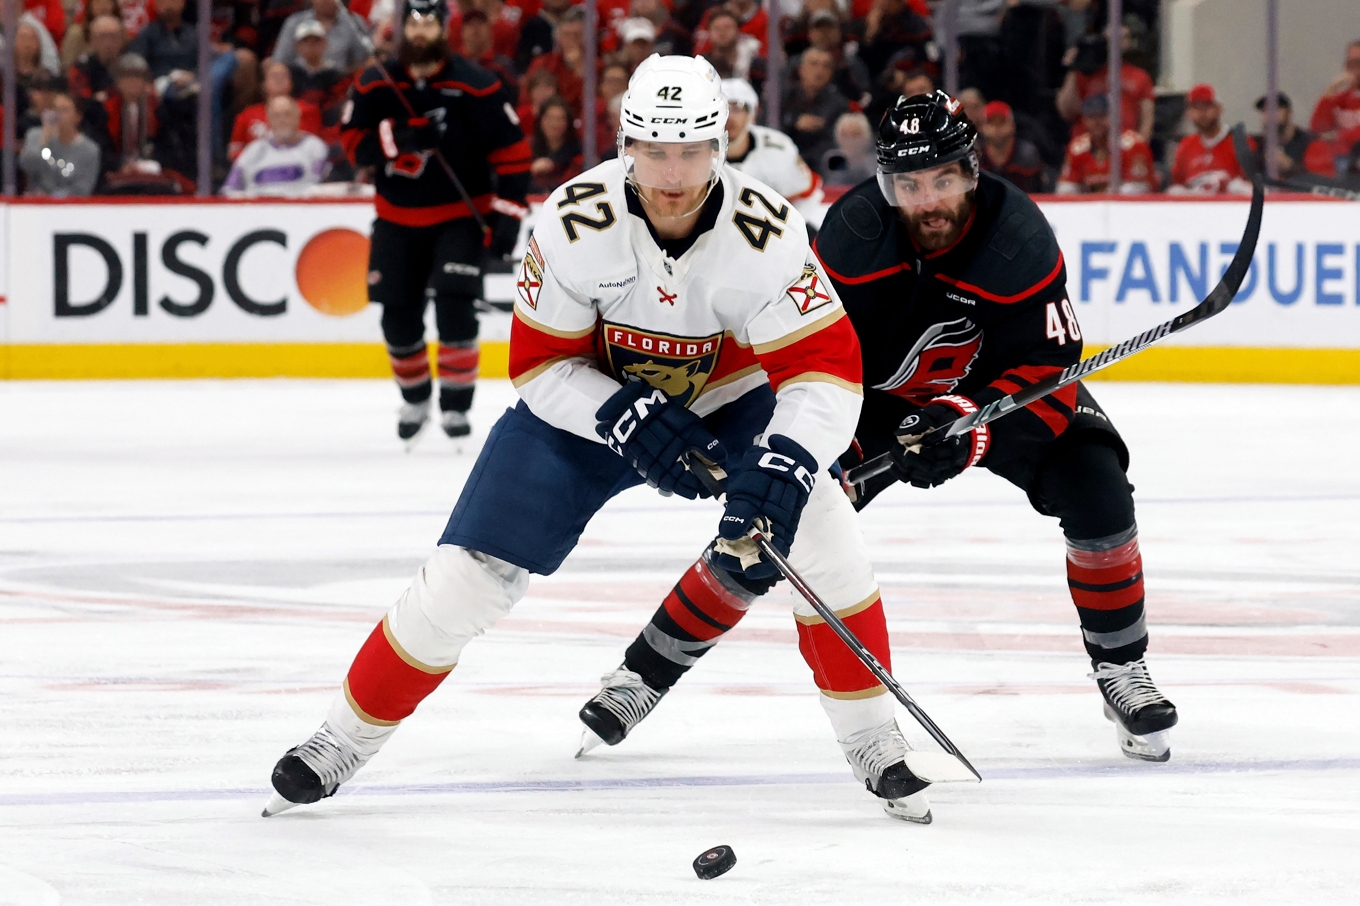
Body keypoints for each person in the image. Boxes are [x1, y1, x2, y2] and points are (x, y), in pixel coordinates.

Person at [266, 53, 935, 826]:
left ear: (720, 146)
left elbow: (822, 370)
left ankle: (873, 740)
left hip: (733, 402)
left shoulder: (772, 233)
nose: (673, 173)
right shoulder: (571, 223)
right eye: (655, 150)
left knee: (822, 526)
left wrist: (787, 454)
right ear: (626, 146)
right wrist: (621, 413)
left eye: (690, 150)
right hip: (588, 408)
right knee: (466, 575)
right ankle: (341, 738)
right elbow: (540, 365)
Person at [581, 90, 1180, 769]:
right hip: (871, 402)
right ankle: (644, 673)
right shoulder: (856, 234)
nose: (927, 200)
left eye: (943, 179)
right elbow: (813, 357)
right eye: (908, 183)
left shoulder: (1018, 237)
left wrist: (968, 426)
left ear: (971, 172)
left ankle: (1121, 670)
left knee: (1098, 484)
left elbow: (1052, 373)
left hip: (993, 399)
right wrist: (829, 445)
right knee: (780, 516)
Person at [339, 0, 531, 442]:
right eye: (414, 22)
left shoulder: (477, 84)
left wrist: (508, 218)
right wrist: (399, 137)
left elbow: (513, 154)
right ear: (400, 27)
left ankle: (456, 406)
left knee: (455, 307)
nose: (421, 31)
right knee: (397, 317)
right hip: (396, 217)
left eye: (430, 22)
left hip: (460, 216)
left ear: (445, 28)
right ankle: (415, 396)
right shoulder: (375, 82)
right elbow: (352, 145)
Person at [722, 77, 825, 230]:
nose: (729, 116)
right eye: (722, 109)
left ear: (752, 114)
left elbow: (806, 194)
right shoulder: (689, 151)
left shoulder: (778, 147)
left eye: (737, 108)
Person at [1056, 28, 1155, 143]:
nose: (1117, 42)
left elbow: (1147, 119)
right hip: (1087, 145)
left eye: (1122, 38)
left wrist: (1139, 147)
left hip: (1124, 144)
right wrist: (1073, 69)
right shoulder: (1085, 73)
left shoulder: (1140, 76)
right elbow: (1067, 112)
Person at [222, 96, 329, 196]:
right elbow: (230, 189)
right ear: (268, 119)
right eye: (276, 115)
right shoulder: (253, 151)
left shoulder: (314, 148)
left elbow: (318, 185)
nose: (282, 120)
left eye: (287, 114)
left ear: (298, 116)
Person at [1056, 93, 1155, 194]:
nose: (1096, 122)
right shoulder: (1077, 148)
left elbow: (1137, 188)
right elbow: (1066, 186)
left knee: (1129, 190)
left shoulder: (1133, 145)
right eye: (1091, 117)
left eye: (1101, 116)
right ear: (1084, 120)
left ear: (1114, 117)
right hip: (1092, 205)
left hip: (1130, 206)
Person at [230, 61, 323, 160]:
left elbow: (311, 146)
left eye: (283, 76)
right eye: (274, 76)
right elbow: (235, 150)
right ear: (264, 84)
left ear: (291, 83)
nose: (279, 79)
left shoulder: (308, 110)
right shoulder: (248, 115)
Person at [1167, 83, 1249, 196]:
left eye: (1207, 106)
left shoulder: (1241, 142)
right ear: (1189, 113)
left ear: (1219, 108)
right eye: (1196, 108)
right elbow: (1177, 183)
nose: (1202, 113)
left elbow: (1252, 185)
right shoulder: (1185, 145)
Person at [20, 89, 100, 195]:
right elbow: (27, 166)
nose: (59, 115)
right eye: (55, 110)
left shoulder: (89, 150)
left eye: (65, 110)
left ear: (78, 116)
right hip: (35, 202)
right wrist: (44, 139)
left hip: (67, 207)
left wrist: (51, 198)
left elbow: (82, 189)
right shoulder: (35, 135)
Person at [782, 47, 848, 168]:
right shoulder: (781, 97)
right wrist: (793, 121)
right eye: (814, 64)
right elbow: (767, 126)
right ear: (801, 70)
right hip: (782, 160)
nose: (820, 70)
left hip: (819, 166)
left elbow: (835, 142)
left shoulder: (839, 104)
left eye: (826, 66)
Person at [1250, 92, 1336, 181]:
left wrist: (1290, 166)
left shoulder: (1312, 143)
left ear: (1289, 113)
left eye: (1275, 110)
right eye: (1264, 111)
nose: (1269, 116)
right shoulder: (1257, 144)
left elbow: (1323, 182)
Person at [272, 0, 371, 74]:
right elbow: (280, 61)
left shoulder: (353, 22)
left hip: (338, 84)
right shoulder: (294, 22)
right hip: (299, 83)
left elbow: (365, 59)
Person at [977, 100, 1049, 194]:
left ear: (1012, 125)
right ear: (982, 128)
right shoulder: (975, 156)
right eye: (991, 123)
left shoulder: (1027, 155)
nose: (997, 128)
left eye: (1002, 122)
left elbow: (1037, 192)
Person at [1309, 39, 1360, 163]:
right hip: (1335, 160)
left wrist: (1336, 136)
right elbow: (1317, 128)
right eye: (1350, 64)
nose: (1354, 70)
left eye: (1357, 63)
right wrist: (1330, 91)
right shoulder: (1341, 98)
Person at [125, 0, 195, 79]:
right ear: (156, 6)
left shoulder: (194, 34)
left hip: (192, 82)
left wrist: (193, 75)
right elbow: (136, 60)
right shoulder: (147, 34)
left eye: (172, 1)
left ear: (182, 3)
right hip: (158, 82)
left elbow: (208, 61)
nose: (167, 5)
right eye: (162, 2)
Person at [527, 94, 582, 193]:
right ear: (540, 120)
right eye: (549, 118)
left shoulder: (579, 154)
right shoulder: (529, 149)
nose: (554, 124)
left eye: (560, 119)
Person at [820, 110, 878, 186]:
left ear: (866, 136)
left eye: (855, 135)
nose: (850, 139)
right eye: (845, 134)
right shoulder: (832, 157)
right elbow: (832, 186)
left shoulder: (875, 160)